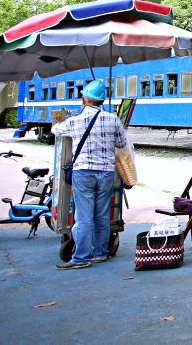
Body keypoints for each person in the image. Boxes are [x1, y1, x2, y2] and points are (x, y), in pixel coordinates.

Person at [51, 80, 128, 269]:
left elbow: (55, 130)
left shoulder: (76, 121)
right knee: (101, 215)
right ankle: (100, 253)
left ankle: (81, 258)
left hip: (83, 173)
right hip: (106, 173)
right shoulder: (113, 119)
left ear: (84, 99)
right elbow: (121, 143)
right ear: (102, 101)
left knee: (84, 217)